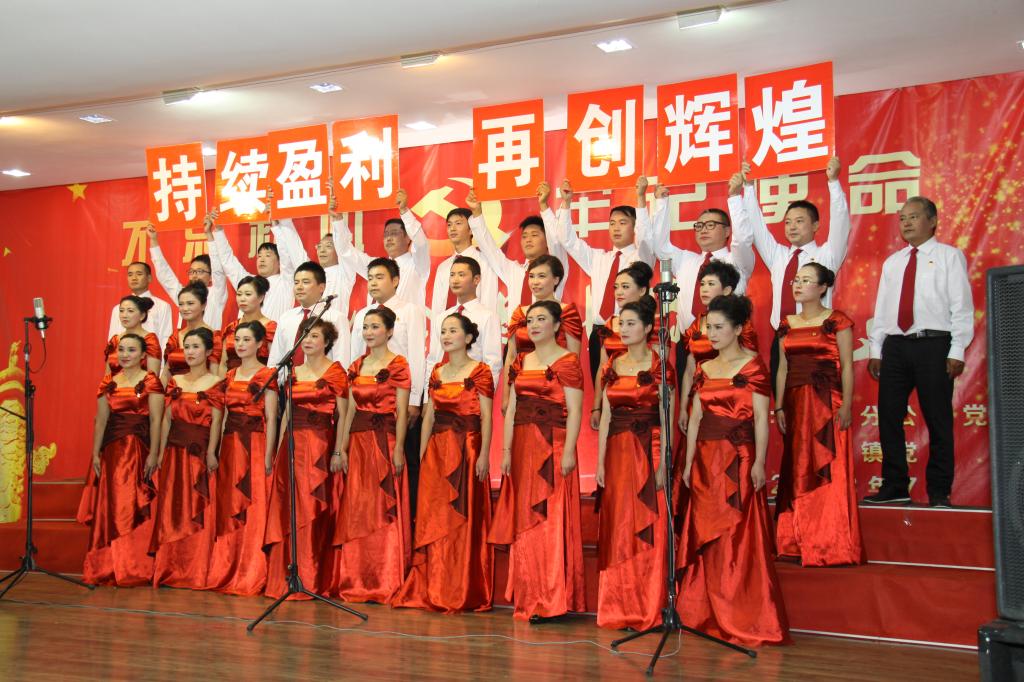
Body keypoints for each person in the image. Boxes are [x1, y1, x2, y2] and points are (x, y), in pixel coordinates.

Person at [679, 294, 789, 646]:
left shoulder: (753, 366)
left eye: (718, 327)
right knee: (706, 534)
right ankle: (705, 611)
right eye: (708, 328)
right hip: (704, 461)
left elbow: (760, 418)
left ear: (738, 329)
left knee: (738, 536)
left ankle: (742, 612)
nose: (711, 334)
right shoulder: (704, 368)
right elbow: (696, 418)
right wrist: (688, 462)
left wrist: (758, 462)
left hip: (738, 459)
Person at [864, 197, 975, 507]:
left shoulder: (949, 256)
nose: (907, 223)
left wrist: (957, 349)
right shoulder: (893, 262)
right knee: (889, 416)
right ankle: (895, 486)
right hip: (896, 345)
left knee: (938, 419)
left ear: (933, 221)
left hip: (934, 345)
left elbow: (961, 306)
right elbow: (883, 308)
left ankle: (939, 491)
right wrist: (876, 349)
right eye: (902, 218)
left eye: (913, 217)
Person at [489, 300, 585, 622]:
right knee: (524, 521)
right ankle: (529, 595)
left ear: (557, 326)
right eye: (530, 320)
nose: (533, 325)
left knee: (549, 519)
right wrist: (505, 451)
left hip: (552, 446)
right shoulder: (520, 360)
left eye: (541, 319)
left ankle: (551, 598)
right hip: (522, 448)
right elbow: (512, 409)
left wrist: (569, 450)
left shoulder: (568, 361)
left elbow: (575, 410)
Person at [393, 313, 494, 613]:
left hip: (467, 449)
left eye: (453, 331)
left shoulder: (481, 371)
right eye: (443, 331)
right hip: (437, 451)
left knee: (462, 519)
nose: (446, 336)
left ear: (469, 337)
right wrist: (424, 454)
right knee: (434, 518)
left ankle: (460, 588)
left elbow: (487, 417)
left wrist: (484, 454)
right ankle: (434, 584)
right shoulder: (437, 370)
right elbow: (429, 416)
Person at [775, 263, 865, 565]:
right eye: (796, 280)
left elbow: (847, 366)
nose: (798, 285)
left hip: (827, 404)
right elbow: (783, 368)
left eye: (806, 280)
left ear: (823, 287)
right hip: (795, 403)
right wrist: (778, 406)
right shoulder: (786, 323)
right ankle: (793, 541)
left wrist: (847, 405)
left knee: (828, 468)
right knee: (797, 466)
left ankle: (828, 542)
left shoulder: (837, 321)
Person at [595, 298, 674, 631]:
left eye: (630, 324)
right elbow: (607, 414)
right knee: (619, 525)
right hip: (617, 451)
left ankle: (647, 605)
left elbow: (667, 418)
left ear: (647, 328)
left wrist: (664, 462)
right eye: (621, 324)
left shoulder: (660, 366)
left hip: (649, 450)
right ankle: (618, 605)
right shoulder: (613, 363)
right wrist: (600, 460)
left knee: (647, 524)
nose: (624, 329)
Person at [740, 158, 850, 390]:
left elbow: (841, 224)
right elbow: (758, 229)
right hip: (782, 339)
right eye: (788, 222)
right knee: (783, 402)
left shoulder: (826, 256)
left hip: (815, 339)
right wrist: (748, 188)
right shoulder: (778, 256)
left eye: (799, 221)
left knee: (816, 402)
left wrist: (833, 182)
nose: (792, 227)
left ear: (816, 225)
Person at [331, 307, 412, 603]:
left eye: (375, 326)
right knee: (359, 508)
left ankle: (385, 577)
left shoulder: (399, 364)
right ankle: (356, 577)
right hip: (358, 443)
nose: (368, 332)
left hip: (385, 442)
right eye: (365, 327)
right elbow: (351, 410)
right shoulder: (357, 365)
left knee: (382, 506)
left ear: (389, 331)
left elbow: (401, 411)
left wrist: (399, 447)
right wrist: (341, 448)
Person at [264, 319, 348, 598]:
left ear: (327, 341)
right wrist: (279, 447)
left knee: (312, 508)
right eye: (305, 336)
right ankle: (286, 578)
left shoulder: (335, 372)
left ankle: (312, 579)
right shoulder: (293, 371)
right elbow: (287, 412)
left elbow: (344, 414)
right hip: (293, 445)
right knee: (289, 509)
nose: (308, 341)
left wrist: (339, 450)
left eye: (314, 336)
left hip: (320, 446)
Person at [77, 334, 164, 586]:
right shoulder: (108, 381)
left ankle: (134, 565)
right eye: (122, 350)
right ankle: (107, 564)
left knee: (132, 504)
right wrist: (96, 452)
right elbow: (101, 420)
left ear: (143, 355)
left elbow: (156, 420)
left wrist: (154, 453)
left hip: (139, 449)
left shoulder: (151, 381)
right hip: (112, 452)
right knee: (111, 505)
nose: (125, 355)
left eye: (131, 350)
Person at [650, 175, 756, 380]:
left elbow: (743, 240)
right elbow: (660, 247)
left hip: (727, 344)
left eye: (710, 225)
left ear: (727, 231)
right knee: (688, 398)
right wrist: (662, 203)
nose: (703, 230)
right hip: (689, 344)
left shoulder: (737, 260)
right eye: (699, 226)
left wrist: (735, 198)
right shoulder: (686, 259)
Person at [555, 177, 654, 381]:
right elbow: (568, 241)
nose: (616, 228)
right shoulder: (599, 258)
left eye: (623, 223)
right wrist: (566, 203)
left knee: (628, 386)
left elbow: (646, 239)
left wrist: (641, 198)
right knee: (600, 387)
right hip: (599, 333)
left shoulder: (641, 257)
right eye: (612, 223)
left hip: (628, 331)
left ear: (635, 227)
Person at [206, 321, 279, 596]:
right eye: (237, 339)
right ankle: (227, 565)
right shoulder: (229, 375)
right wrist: (214, 449)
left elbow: (271, 417)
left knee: (254, 504)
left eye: (247, 340)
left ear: (260, 344)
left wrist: (269, 455)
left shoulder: (267, 374)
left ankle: (251, 569)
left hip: (256, 444)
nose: (240, 344)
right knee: (229, 504)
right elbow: (222, 414)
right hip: (230, 444)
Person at [149, 328, 225, 589]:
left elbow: (217, 421)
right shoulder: (175, 381)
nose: (190, 352)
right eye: (187, 347)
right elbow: (166, 420)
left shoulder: (216, 382)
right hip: (174, 453)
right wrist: (160, 452)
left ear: (208, 351)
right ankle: (169, 567)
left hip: (199, 455)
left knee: (197, 508)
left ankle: (195, 569)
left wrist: (212, 451)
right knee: (172, 508)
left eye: (195, 347)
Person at [466, 182, 569, 321]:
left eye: (534, 235)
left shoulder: (555, 267)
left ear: (547, 241)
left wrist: (543, 205)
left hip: (547, 332)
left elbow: (555, 240)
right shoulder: (514, 270)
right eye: (524, 236)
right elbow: (490, 249)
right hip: (516, 333)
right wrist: (477, 213)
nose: (528, 240)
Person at [678, 260, 758, 430]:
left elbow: (752, 365)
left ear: (727, 290)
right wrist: (683, 406)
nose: (704, 289)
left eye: (711, 284)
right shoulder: (696, 324)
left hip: (728, 402)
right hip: (699, 398)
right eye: (702, 284)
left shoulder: (741, 324)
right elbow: (690, 370)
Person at [400, 192, 498, 328]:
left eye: (458, 223)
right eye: (449, 225)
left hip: (474, 332)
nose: (453, 228)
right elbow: (437, 309)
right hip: (446, 335)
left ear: (471, 230)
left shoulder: (485, 262)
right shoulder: (444, 267)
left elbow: (489, 300)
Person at [502, 255, 582, 411]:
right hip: (521, 387)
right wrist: (506, 396)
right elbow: (511, 357)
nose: (535, 282)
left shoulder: (567, 313)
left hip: (553, 390)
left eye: (541, 276)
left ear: (556, 280)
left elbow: (574, 358)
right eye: (531, 276)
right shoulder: (519, 314)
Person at [333, 189, 431, 306]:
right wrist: (337, 220)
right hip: (375, 317)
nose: (388, 238)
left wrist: (404, 211)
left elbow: (421, 243)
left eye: (394, 233)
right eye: (386, 234)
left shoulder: (417, 265)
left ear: (408, 238)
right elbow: (345, 251)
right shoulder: (376, 266)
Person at [590, 262, 657, 430]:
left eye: (625, 287)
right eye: (616, 287)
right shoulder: (610, 324)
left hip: (642, 402)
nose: (618, 292)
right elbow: (602, 368)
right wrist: (597, 406)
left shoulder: (655, 325)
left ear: (642, 290)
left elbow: (658, 370)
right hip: (613, 400)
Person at [423, 256, 502, 390]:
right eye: (452, 275)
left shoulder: (488, 316)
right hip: (439, 389)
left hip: (469, 391)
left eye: (461, 275)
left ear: (476, 279)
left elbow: (492, 364)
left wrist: (483, 396)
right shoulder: (442, 317)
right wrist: (427, 394)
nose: (455, 280)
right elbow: (433, 359)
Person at [274, 198, 358, 322]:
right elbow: (295, 248)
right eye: (319, 246)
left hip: (333, 327)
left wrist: (337, 220)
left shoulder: (344, 272)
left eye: (328, 246)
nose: (322, 250)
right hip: (309, 326)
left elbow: (344, 245)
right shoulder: (311, 272)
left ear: (338, 250)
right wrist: (280, 220)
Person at [209, 214, 300, 321]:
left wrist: (275, 225)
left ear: (279, 261)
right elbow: (228, 261)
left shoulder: (286, 282)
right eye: (259, 256)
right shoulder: (248, 282)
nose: (262, 259)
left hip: (273, 331)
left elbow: (285, 255)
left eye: (267, 256)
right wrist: (218, 230)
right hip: (244, 330)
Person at [147, 215, 228, 328]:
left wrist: (209, 234)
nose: (194, 276)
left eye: (199, 271)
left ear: (211, 276)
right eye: (192, 272)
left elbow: (217, 269)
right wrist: (153, 240)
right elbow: (165, 275)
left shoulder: (216, 294)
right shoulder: (184, 294)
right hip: (184, 339)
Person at [267, 261, 349, 370]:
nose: (299, 287)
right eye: (296, 283)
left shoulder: (335, 318)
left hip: (322, 380)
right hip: (287, 380)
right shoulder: (286, 318)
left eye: (305, 282)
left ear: (321, 287)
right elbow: (275, 360)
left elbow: (341, 362)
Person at [161, 282, 222, 385]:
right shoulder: (175, 336)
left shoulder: (214, 336)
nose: (185, 308)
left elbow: (214, 374)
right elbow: (165, 375)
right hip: (174, 391)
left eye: (190, 303)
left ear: (203, 305)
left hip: (202, 390)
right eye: (181, 304)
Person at [106, 261, 173, 350]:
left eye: (139, 274)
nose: (134, 278)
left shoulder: (162, 306)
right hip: (123, 356)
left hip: (152, 356)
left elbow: (165, 338)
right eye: (130, 275)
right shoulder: (118, 308)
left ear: (149, 278)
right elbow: (112, 339)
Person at [219, 275, 277, 373]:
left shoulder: (270, 328)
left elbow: (274, 364)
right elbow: (223, 364)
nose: (242, 299)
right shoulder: (231, 328)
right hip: (230, 380)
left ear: (261, 297)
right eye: (239, 294)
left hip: (259, 380)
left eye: (248, 294)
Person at [103, 295, 161, 376]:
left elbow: (153, 376)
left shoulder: (149, 340)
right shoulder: (115, 340)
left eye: (130, 311)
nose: (124, 315)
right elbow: (107, 376)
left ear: (142, 316)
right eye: (121, 311)